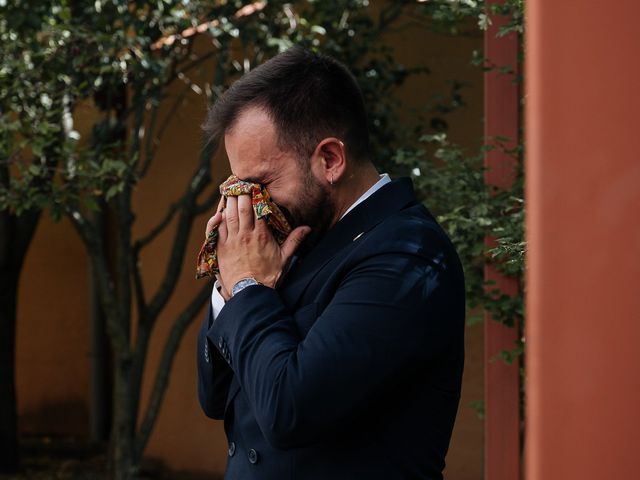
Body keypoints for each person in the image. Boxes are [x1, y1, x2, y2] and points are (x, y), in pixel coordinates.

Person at [196, 46, 465, 480]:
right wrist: (228, 284)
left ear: (330, 160)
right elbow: (216, 395)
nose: (249, 204)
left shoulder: (406, 254)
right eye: (239, 186)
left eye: (260, 182)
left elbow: (290, 409)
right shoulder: (299, 234)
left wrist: (246, 285)